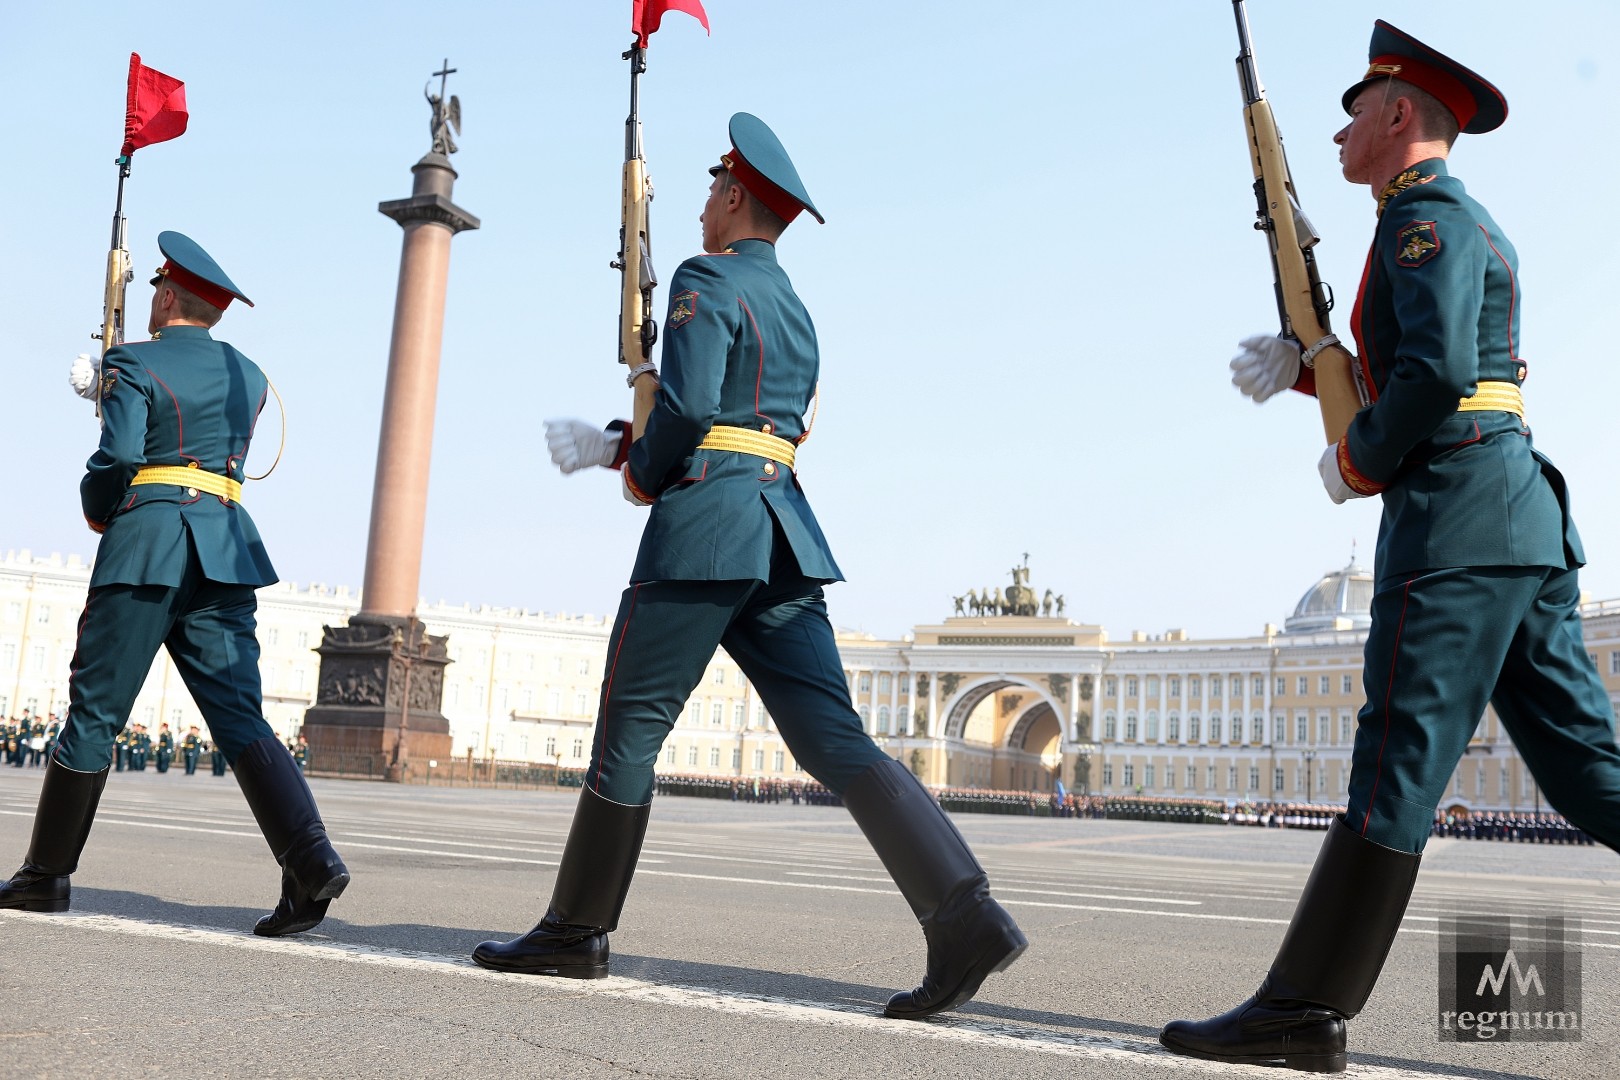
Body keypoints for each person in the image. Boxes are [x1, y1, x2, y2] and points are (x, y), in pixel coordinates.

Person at [472, 114, 1027, 1020]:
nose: (698, 210)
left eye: (708, 192)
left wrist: (636, 463)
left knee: (631, 725)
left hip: (706, 528)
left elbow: (688, 408)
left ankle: (576, 929)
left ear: (733, 195)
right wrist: (632, 439)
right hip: (781, 527)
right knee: (833, 739)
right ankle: (965, 914)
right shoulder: (798, 310)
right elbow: (779, 419)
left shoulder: (704, 279)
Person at [1160, 23, 1620, 1072]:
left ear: (1399, 115)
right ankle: (1300, 1007)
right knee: (1591, 775)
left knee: (1391, 769)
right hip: (1513, 516)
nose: (1335, 130)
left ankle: (1302, 1009)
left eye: (1354, 108)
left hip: (1453, 516)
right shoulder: (1438, 223)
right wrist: (1314, 360)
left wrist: (1355, 461)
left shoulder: (1423, 221)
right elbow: (1422, 368)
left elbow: (1440, 375)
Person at [0, 232, 350, 937]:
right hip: (222, 547)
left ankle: (46, 874)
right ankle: (310, 861)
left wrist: (101, 472)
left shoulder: (134, 361)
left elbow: (124, 455)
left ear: (163, 295)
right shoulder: (252, 376)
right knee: (241, 717)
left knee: (95, 711)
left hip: (149, 546)